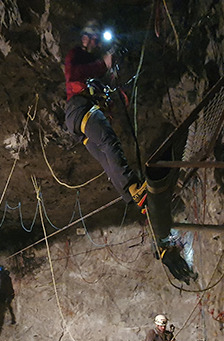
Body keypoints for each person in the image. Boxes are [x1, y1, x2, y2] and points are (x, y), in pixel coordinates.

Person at [64, 20, 146, 209]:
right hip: (79, 108)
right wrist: (103, 64)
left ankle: (133, 197)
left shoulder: (89, 68)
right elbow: (74, 74)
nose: (98, 45)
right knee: (109, 142)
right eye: (95, 40)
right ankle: (133, 187)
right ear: (86, 38)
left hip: (76, 119)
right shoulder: (75, 55)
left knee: (104, 154)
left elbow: (96, 85)